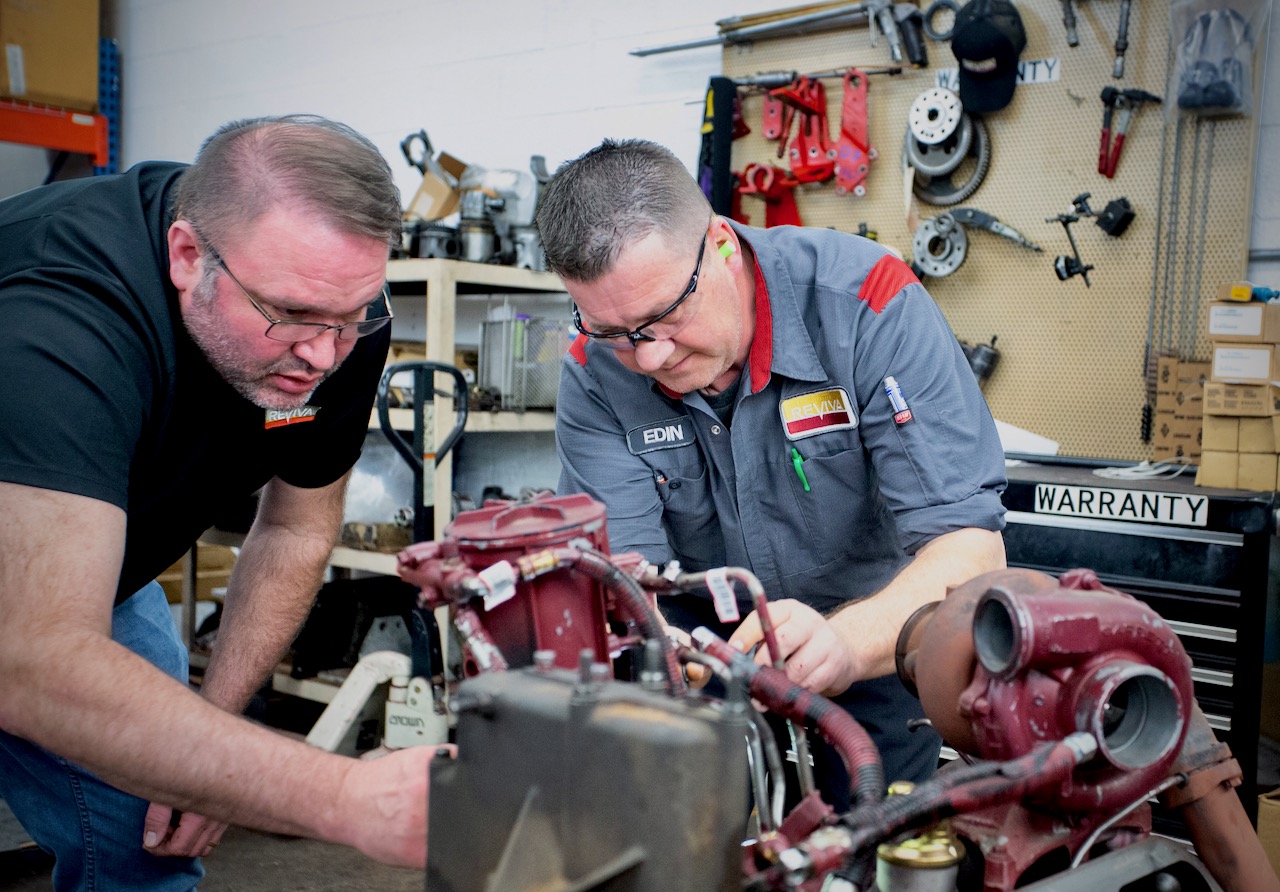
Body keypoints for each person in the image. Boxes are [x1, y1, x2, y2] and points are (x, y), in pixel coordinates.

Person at [0, 115, 439, 891]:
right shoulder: (60, 320)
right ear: (186, 255)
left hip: (96, 554)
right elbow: (34, 659)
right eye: (292, 316)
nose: (324, 356)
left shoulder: (334, 318)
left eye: (350, 319)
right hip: (28, 571)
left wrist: (214, 735)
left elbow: (298, 527)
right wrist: (343, 797)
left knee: (149, 831)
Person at [536, 138, 1008, 797]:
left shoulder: (866, 304)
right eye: (615, 332)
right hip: (700, 693)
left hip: (873, 666)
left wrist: (844, 644)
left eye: (665, 317)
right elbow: (628, 581)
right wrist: (669, 654)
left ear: (723, 245)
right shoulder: (593, 373)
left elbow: (972, 551)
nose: (648, 358)